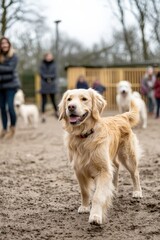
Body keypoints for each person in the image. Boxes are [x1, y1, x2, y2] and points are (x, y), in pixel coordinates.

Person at [0, 37, 21, 139]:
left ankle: (12, 128)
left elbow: (10, 69)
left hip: (11, 86)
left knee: (10, 107)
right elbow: (7, 70)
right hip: (1, 86)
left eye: (6, 43)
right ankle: (4, 129)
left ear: (9, 44)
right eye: (2, 43)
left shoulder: (14, 56)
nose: (4, 45)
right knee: (2, 108)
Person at [39, 52, 58, 122]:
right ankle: (43, 115)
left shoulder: (54, 65)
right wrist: (47, 78)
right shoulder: (42, 65)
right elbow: (41, 74)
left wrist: (49, 78)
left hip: (52, 84)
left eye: (50, 56)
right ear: (45, 57)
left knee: (53, 100)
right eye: (48, 56)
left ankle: (57, 113)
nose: (49, 57)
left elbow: (55, 74)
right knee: (44, 101)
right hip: (44, 84)